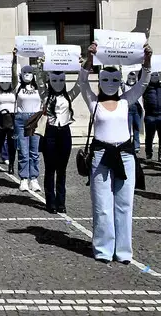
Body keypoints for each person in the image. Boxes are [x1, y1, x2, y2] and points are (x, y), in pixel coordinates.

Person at [80, 41, 152, 264]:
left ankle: (123, 251)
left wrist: (147, 59)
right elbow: (82, 82)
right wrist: (89, 58)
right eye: (105, 80)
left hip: (125, 156)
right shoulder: (94, 103)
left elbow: (143, 82)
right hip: (101, 156)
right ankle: (103, 249)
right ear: (100, 82)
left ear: (119, 82)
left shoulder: (125, 101)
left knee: (124, 204)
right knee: (102, 205)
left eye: (114, 80)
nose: (109, 84)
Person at [41, 70, 80, 214]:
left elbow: (79, 85)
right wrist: (41, 64)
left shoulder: (68, 96)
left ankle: (61, 202)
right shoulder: (45, 96)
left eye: (61, 80)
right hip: (50, 132)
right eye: (54, 80)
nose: (58, 84)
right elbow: (39, 81)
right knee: (50, 169)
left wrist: (82, 68)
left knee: (62, 170)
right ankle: (50, 202)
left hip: (64, 132)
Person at [15, 58, 44, 192]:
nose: (27, 74)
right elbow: (13, 73)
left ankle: (34, 178)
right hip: (21, 120)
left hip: (35, 119)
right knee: (23, 150)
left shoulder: (39, 87)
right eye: (24, 72)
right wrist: (14, 59)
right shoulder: (17, 86)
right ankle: (24, 178)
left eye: (29, 72)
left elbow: (42, 75)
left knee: (34, 151)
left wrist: (40, 64)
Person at [142, 70, 160, 160]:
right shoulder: (146, 87)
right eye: (153, 75)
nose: (155, 77)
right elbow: (141, 78)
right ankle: (148, 153)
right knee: (149, 137)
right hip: (150, 116)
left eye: (157, 75)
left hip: (160, 115)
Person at [124, 71, 143, 153]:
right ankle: (127, 145)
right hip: (128, 110)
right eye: (129, 78)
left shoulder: (138, 87)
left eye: (133, 78)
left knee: (137, 128)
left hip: (137, 110)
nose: (131, 80)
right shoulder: (124, 86)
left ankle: (136, 146)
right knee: (127, 129)